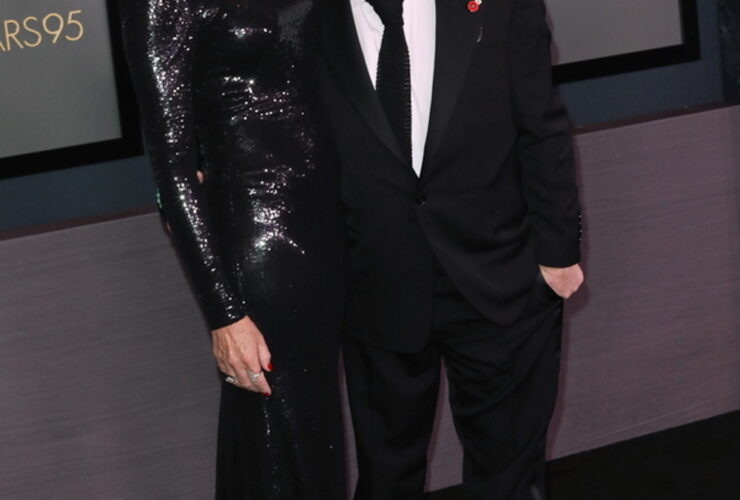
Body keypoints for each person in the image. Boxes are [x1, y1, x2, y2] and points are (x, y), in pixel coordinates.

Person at [318, 0, 584, 498]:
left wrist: (559, 254)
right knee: (386, 479)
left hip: (500, 280)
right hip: (376, 288)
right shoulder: (306, 17)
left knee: (508, 477)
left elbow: (542, 126)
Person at [120, 1, 346, 498]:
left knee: (317, 436)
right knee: (278, 442)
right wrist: (224, 314)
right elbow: (173, 167)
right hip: (260, 242)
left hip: (333, 230)